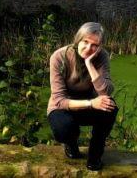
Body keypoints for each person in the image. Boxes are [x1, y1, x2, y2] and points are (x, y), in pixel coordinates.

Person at [47, 22, 117, 171]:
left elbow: (105, 91)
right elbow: (59, 100)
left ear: (100, 47)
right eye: (85, 42)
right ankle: (70, 144)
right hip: (63, 106)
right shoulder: (59, 57)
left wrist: (90, 64)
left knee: (110, 106)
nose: (88, 48)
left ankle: (94, 158)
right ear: (78, 39)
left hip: (89, 102)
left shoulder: (102, 57)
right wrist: (91, 103)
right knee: (64, 129)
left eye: (94, 45)